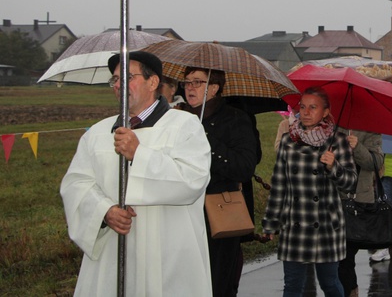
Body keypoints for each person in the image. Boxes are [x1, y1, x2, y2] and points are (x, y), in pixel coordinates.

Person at [60, 51, 212, 296]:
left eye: (128, 77)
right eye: (115, 79)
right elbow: (76, 183)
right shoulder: (98, 133)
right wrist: (104, 211)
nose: (118, 85)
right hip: (113, 253)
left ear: (153, 83)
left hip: (168, 255)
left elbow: (193, 179)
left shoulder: (184, 126)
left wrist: (139, 154)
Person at [262, 87, 357, 297]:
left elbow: (351, 183)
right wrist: (271, 222)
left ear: (325, 112)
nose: (305, 112)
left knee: (329, 284)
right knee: (293, 286)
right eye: (302, 107)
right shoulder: (288, 141)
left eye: (312, 107)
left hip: (325, 226)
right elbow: (279, 184)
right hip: (295, 224)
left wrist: (334, 167)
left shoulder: (338, 141)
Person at [178, 67, 258, 297]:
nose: (189, 87)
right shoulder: (176, 118)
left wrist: (204, 136)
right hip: (182, 213)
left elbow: (244, 167)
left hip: (218, 214)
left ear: (214, 88)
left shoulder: (235, 119)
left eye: (197, 82)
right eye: (186, 82)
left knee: (217, 283)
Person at [337, 129, 383, 297]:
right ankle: (351, 290)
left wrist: (357, 147)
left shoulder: (370, 129)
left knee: (346, 255)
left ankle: (350, 291)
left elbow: (376, 162)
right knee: (340, 259)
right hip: (333, 201)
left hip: (358, 202)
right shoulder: (331, 127)